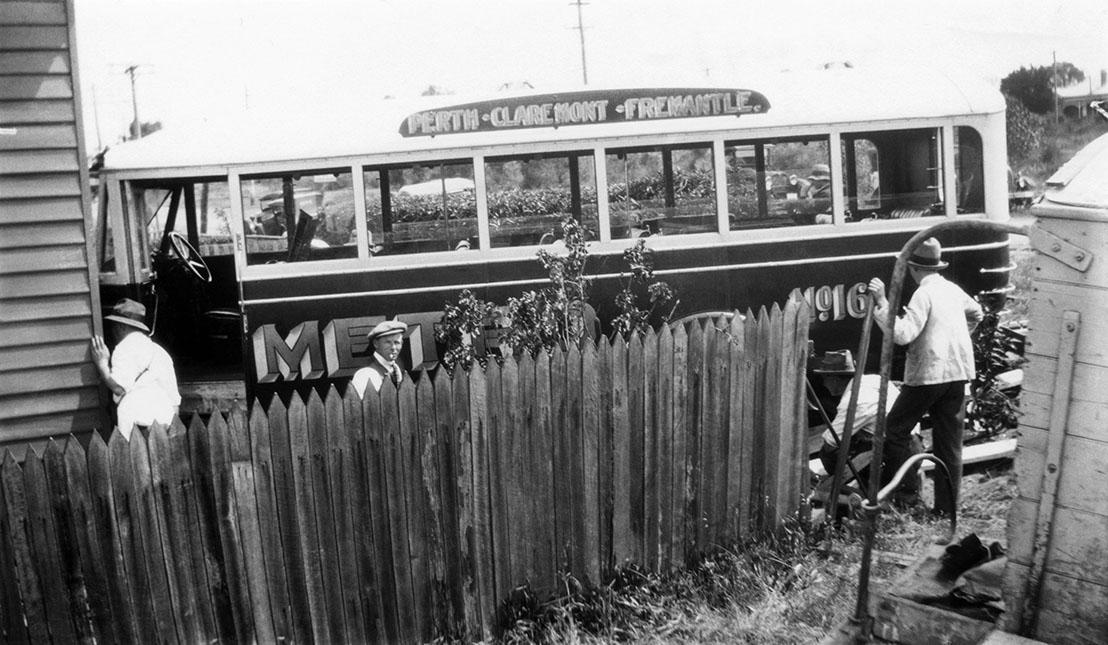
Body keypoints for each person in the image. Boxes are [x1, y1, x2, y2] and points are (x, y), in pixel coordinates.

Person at [868, 237, 983, 516]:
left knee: (893, 430)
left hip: (929, 375)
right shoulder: (952, 289)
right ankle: (946, 510)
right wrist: (956, 340)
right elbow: (977, 313)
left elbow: (903, 335)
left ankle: (907, 497)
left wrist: (882, 303)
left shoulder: (923, 293)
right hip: (957, 374)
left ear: (912, 267)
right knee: (949, 445)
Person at [812, 349, 920, 486]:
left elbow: (831, 441)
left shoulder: (854, 401)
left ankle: (861, 486)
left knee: (828, 452)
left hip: (898, 458)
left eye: (825, 379)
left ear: (835, 379)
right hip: (914, 445)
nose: (823, 384)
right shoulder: (875, 380)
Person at [90, 298, 181, 440]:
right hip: (165, 428)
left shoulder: (126, 347)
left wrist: (102, 364)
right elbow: (175, 401)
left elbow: (119, 387)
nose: (113, 331)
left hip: (140, 427)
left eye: (114, 326)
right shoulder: (160, 352)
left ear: (121, 326)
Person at [351, 320, 408, 396]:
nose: (393, 347)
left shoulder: (397, 370)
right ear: (376, 344)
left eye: (397, 342)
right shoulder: (365, 373)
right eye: (388, 342)